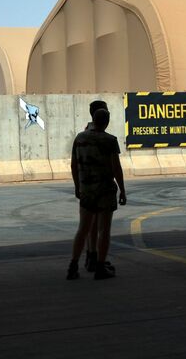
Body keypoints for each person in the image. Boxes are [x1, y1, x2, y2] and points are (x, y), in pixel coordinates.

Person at [67, 108, 127, 280]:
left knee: (83, 229)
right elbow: (116, 168)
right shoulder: (110, 140)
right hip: (105, 190)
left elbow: (73, 165)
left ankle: (73, 266)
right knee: (104, 230)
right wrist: (122, 189)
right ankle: (100, 266)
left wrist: (78, 186)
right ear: (107, 122)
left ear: (93, 119)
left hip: (86, 190)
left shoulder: (80, 138)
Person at [82, 100, 110, 273]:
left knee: (89, 225)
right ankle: (98, 259)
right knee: (101, 227)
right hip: (101, 186)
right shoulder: (102, 136)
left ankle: (91, 255)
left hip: (86, 185)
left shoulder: (84, 133)